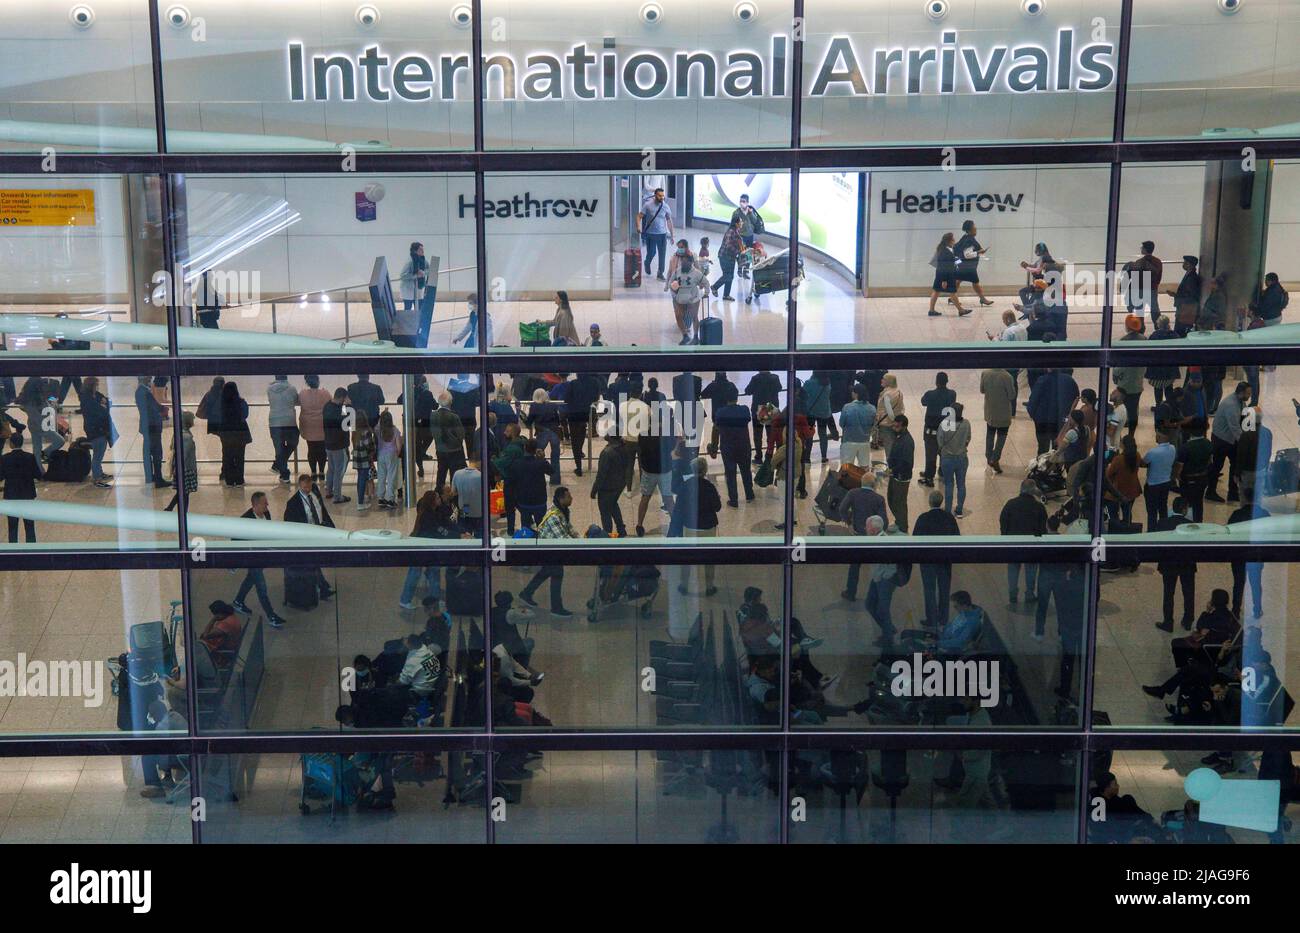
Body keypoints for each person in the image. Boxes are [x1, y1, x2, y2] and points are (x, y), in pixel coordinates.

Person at [518, 487, 577, 617]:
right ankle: (556, 607)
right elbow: (563, 538)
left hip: (549, 549)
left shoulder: (562, 510)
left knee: (546, 572)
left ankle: (526, 593)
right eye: (569, 496)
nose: (571, 498)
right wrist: (578, 546)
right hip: (549, 552)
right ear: (561, 499)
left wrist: (579, 539)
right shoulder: (554, 516)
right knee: (557, 575)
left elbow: (568, 527)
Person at [232, 492, 287, 628]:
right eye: (264, 503)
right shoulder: (245, 520)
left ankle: (238, 601)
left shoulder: (266, 514)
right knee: (261, 587)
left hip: (263, 556)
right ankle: (271, 616)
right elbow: (234, 540)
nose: (267, 505)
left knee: (251, 579)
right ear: (255, 505)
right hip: (252, 558)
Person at [669, 458, 722, 596]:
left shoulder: (685, 486)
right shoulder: (709, 487)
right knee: (709, 558)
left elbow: (678, 509)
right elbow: (717, 507)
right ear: (705, 470)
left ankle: (684, 585)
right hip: (708, 526)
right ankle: (709, 586)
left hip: (690, 526)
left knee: (687, 557)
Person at [914, 489, 958, 626]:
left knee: (929, 590)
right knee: (944, 589)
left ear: (929, 502)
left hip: (927, 560)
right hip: (945, 560)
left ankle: (931, 619)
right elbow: (957, 537)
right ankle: (943, 618)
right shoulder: (949, 518)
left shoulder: (923, 518)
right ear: (941, 502)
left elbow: (916, 538)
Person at [1153, 497, 1195, 632]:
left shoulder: (1163, 523)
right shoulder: (1191, 525)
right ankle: (1188, 620)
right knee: (1188, 592)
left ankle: (1168, 622)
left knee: (1168, 593)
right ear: (1184, 510)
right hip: (1187, 563)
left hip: (1168, 563)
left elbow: (1157, 543)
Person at [1001, 480, 1047, 602]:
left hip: (1013, 544)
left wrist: (1005, 537)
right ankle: (1029, 594)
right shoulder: (1039, 507)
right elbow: (1043, 528)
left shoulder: (1010, 504)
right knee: (1031, 569)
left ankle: (1012, 593)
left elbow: (1003, 521)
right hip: (1032, 546)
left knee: (1013, 569)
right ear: (1033, 491)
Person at [1206, 381, 1250, 504]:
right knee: (1217, 466)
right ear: (1241, 392)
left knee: (1235, 465)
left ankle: (1232, 493)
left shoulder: (1240, 401)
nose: (1249, 395)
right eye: (1248, 393)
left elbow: (1244, 417)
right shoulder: (1231, 405)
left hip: (1229, 439)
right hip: (1222, 440)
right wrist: (1245, 442)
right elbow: (1235, 427)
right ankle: (1210, 492)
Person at [1026, 369, 1079, 456]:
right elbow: (1075, 397)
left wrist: (1032, 414)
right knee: (1057, 445)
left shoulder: (1042, 380)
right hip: (1060, 419)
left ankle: (1042, 465)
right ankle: (1055, 466)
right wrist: (1068, 412)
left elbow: (1034, 399)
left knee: (1043, 446)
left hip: (1042, 420)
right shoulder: (1069, 380)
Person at [714, 394, 754, 507]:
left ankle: (734, 500)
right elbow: (748, 419)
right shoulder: (744, 410)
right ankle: (749, 495)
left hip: (727, 446)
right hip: (744, 445)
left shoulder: (720, 412)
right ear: (737, 398)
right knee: (746, 470)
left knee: (730, 473)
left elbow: (716, 426)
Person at [78, 376, 116, 488]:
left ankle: (99, 473)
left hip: (100, 428)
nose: (97, 387)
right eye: (96, 385)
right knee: (98, 454)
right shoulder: (87, 399)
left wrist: (104, 405)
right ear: (92, 386)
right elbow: (101, 412)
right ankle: (97, 478)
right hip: (94, 429)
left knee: (101, 450)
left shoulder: (95, 396)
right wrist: (103, 406)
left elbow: (109, 403)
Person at [1, 434, 38, 543]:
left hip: (11, 494)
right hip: (27, 494)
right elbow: (37, 474)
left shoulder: (4, 458)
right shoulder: (30, 457)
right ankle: (31, 548)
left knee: (12, 525)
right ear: (22, 443)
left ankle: (13, 549)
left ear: (11, 444)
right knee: (29, 524)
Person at [135, 374, 170, 489]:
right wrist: (164, 408)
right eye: (148, 377)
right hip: (152, 426)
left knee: (149, 452)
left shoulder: (140, 391)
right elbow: (155, 407)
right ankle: (158, 478)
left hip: (147, 425)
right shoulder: (145, 392)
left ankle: (151, 476)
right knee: (156, 453)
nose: (150, 378)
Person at [937, 402, 971, 516]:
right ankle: (959, 510)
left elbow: (940, 441)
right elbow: (968, 438)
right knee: (961, 484)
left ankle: (947, 510)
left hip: (947, 458)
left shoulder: (944, 424)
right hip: (962, 458)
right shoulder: (966, 423)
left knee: (949, 484)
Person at [591, 434, 630, 536]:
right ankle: (621, 529)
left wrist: (594, 489)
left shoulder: (607, 453)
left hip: (607, 487)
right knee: (613, 505)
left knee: (605, 512)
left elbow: (601, 475)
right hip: (619, 484)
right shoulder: (624, 448)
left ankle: (607, 535)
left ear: (612, 437)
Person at [296, 374, 330, 483]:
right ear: (318, 381)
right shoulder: (325, 393)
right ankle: (321, 471)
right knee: (322, 450)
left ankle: (313, 472)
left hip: (308, 425)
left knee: (311, 449)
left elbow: (297, 402)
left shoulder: (302, 394)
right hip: (322, 425)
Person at [265, 374, 299, 486]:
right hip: (289, 421)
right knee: (293, 443)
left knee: (279, 449)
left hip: (274, 421)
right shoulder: (292, 388)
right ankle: (280, 469)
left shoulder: (269, 389)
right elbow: (296, 401)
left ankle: (282, 471)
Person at [952, 219, 995, 307]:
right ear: (970, 229)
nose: (976, 228)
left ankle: (952, 297)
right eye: (974, 226)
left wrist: (979, 251)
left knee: (958, 281)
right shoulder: (969, 240)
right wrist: (979, 252)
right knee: (975, 282)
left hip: (961, 264)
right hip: (967, 266)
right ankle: (983, 299)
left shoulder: (965, 237)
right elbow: (967, 254)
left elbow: (958, 249)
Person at [668, 252, 707, 345]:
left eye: (686, 261)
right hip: (680, 297)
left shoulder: (697, 273)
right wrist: (673, 288)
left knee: (694, 317)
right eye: (682, 261)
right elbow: (671, 281)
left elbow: (705, 282)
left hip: (693, 298)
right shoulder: (677, 271)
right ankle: (685, 336)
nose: (683, 263)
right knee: (678, 315)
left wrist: (706, 292)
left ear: (691, 262)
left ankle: (695, 337)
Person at [217, 381, 251, 488]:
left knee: (228, 456)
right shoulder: (241, 402)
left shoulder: (220, 404)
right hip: (240, 432)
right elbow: (245, 415)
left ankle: (230, 480)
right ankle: (239, 479)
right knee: (240, 456)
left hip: (226, 432)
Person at [744, 370, 783, 462]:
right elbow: (779, 388)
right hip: (771, 408)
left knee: (758, 435)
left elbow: (747, 391)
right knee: (771, 434)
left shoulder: (755, 379)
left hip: (759, 409)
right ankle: (769, 456)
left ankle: (758, 456)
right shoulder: (775, 378)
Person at [1122, 240, 1163, 326]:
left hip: (1140, 290)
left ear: (1145, 249)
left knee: (1140, 311)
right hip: (1152, 290)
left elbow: (1134, 278)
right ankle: (1159, 327)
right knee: (1154, 310)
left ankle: (1140, 329)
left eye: (1142, 247)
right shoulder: (1158, 262)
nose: (1141, 248)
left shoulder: (1139, 262)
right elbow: (1159, 278)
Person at [163, 411, 198, 512]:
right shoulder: (186, 437)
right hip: (185, 469)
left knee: (181, 492)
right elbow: (184, 455)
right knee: (184, 494)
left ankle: (170, 508)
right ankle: (183, 512)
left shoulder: (178, 434)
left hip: (180, 468)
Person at [927, 232, 968, 317]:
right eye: (953, 239)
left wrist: (960, 260)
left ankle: (931, 310)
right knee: (952, 292)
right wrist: (944, 280)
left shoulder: (946, 249)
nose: (954, 240)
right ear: (949, 241)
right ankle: (961, 310)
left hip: (942, 274)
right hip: (946, 275)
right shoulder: (945, 251)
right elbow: (944, 266)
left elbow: (951, 261)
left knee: (937, 291)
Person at [637, 186, 674, 280]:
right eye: (660, 196)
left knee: (662, 254)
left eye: (663, 196)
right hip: (651, 234)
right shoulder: (648, 205)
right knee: (652, 252)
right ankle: (647, 262)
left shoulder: (665, 206)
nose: (662, 198)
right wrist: (638, 226)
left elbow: (669, 220)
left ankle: (660, 273)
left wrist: (672, 235)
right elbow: (639, 216)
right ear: (655, 195)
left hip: (662, 234)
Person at [322, 387, 351, 505]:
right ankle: (337, 496)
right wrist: (348, 406)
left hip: (328, 443)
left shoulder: (327, 406)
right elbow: (347, 424)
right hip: (339, 444)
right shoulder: (341, 409)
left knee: (331, 468)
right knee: (339, 470)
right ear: (342, 397)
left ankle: (329, 491)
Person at [885, 414, 914, 533]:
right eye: (894, 425)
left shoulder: (907, 441)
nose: (894, 427)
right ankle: (899, 521)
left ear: (904, 426)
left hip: (902, 476)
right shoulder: (899, 436)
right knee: (891, 498)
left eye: (897, 426)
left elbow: (906, 462)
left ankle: (903, 527)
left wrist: (893, 470)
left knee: (900, 502)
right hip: (895, 474)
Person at [837, 382, 874, 469]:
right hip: (865, 441)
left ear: (856, 393)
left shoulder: (847, 407)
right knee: (864, 468)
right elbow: (873, 424)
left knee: (846, 468)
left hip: (849, 441)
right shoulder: (872, 408)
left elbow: (841, 423)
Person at [1166, 254, 1202, 336]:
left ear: (1190, 265)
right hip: (1184, 309)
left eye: (1185, 262)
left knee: (1180, 331)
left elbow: (1190, 296)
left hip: (1185, 311)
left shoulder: (1191, 278)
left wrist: (1176, 295)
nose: (1183, 264)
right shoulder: (1189, 275)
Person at [711, 215, 744, 301]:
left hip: (730, 257)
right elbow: (728, 245)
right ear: (736, 223)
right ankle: (714, 287)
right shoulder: (731, 232)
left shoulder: (736, 231)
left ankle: (726, 295)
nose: (742, 223)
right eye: (740, 222)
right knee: (728, 276)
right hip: (725, 257)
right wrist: (738, 252)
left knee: (730, 276)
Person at [351, 410, 377, 511]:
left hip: (357, 456)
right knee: (363, 479)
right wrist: (372, 452)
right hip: (365, 457)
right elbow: (369, 445)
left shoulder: (354, 430)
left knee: (360, 479)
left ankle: (360, 499)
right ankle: (360, 503)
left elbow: (353, 442)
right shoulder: (366, 431)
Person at [876, 372, 905, 457]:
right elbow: (902, 408)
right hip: (897, 424)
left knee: (889, 449)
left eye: (883, 379)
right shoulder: (899, 392)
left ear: (888, 381)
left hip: (887, 424)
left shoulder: (887, 394)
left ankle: (891, 468)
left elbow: (889, 412)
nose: (881, 380)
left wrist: (893, 421)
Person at [399, 241, 428, 313]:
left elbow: (428, 269)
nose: (423, 251)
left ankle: (418, 323)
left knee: (419, 307)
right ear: (415, 251)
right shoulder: (409, 261)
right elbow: (402, 276)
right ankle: (407, 323)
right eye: (420, 249)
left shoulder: (423, 260)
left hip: (419, 288)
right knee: (408, 308)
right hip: (408, 288)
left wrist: (423, 273)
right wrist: (415, 276)